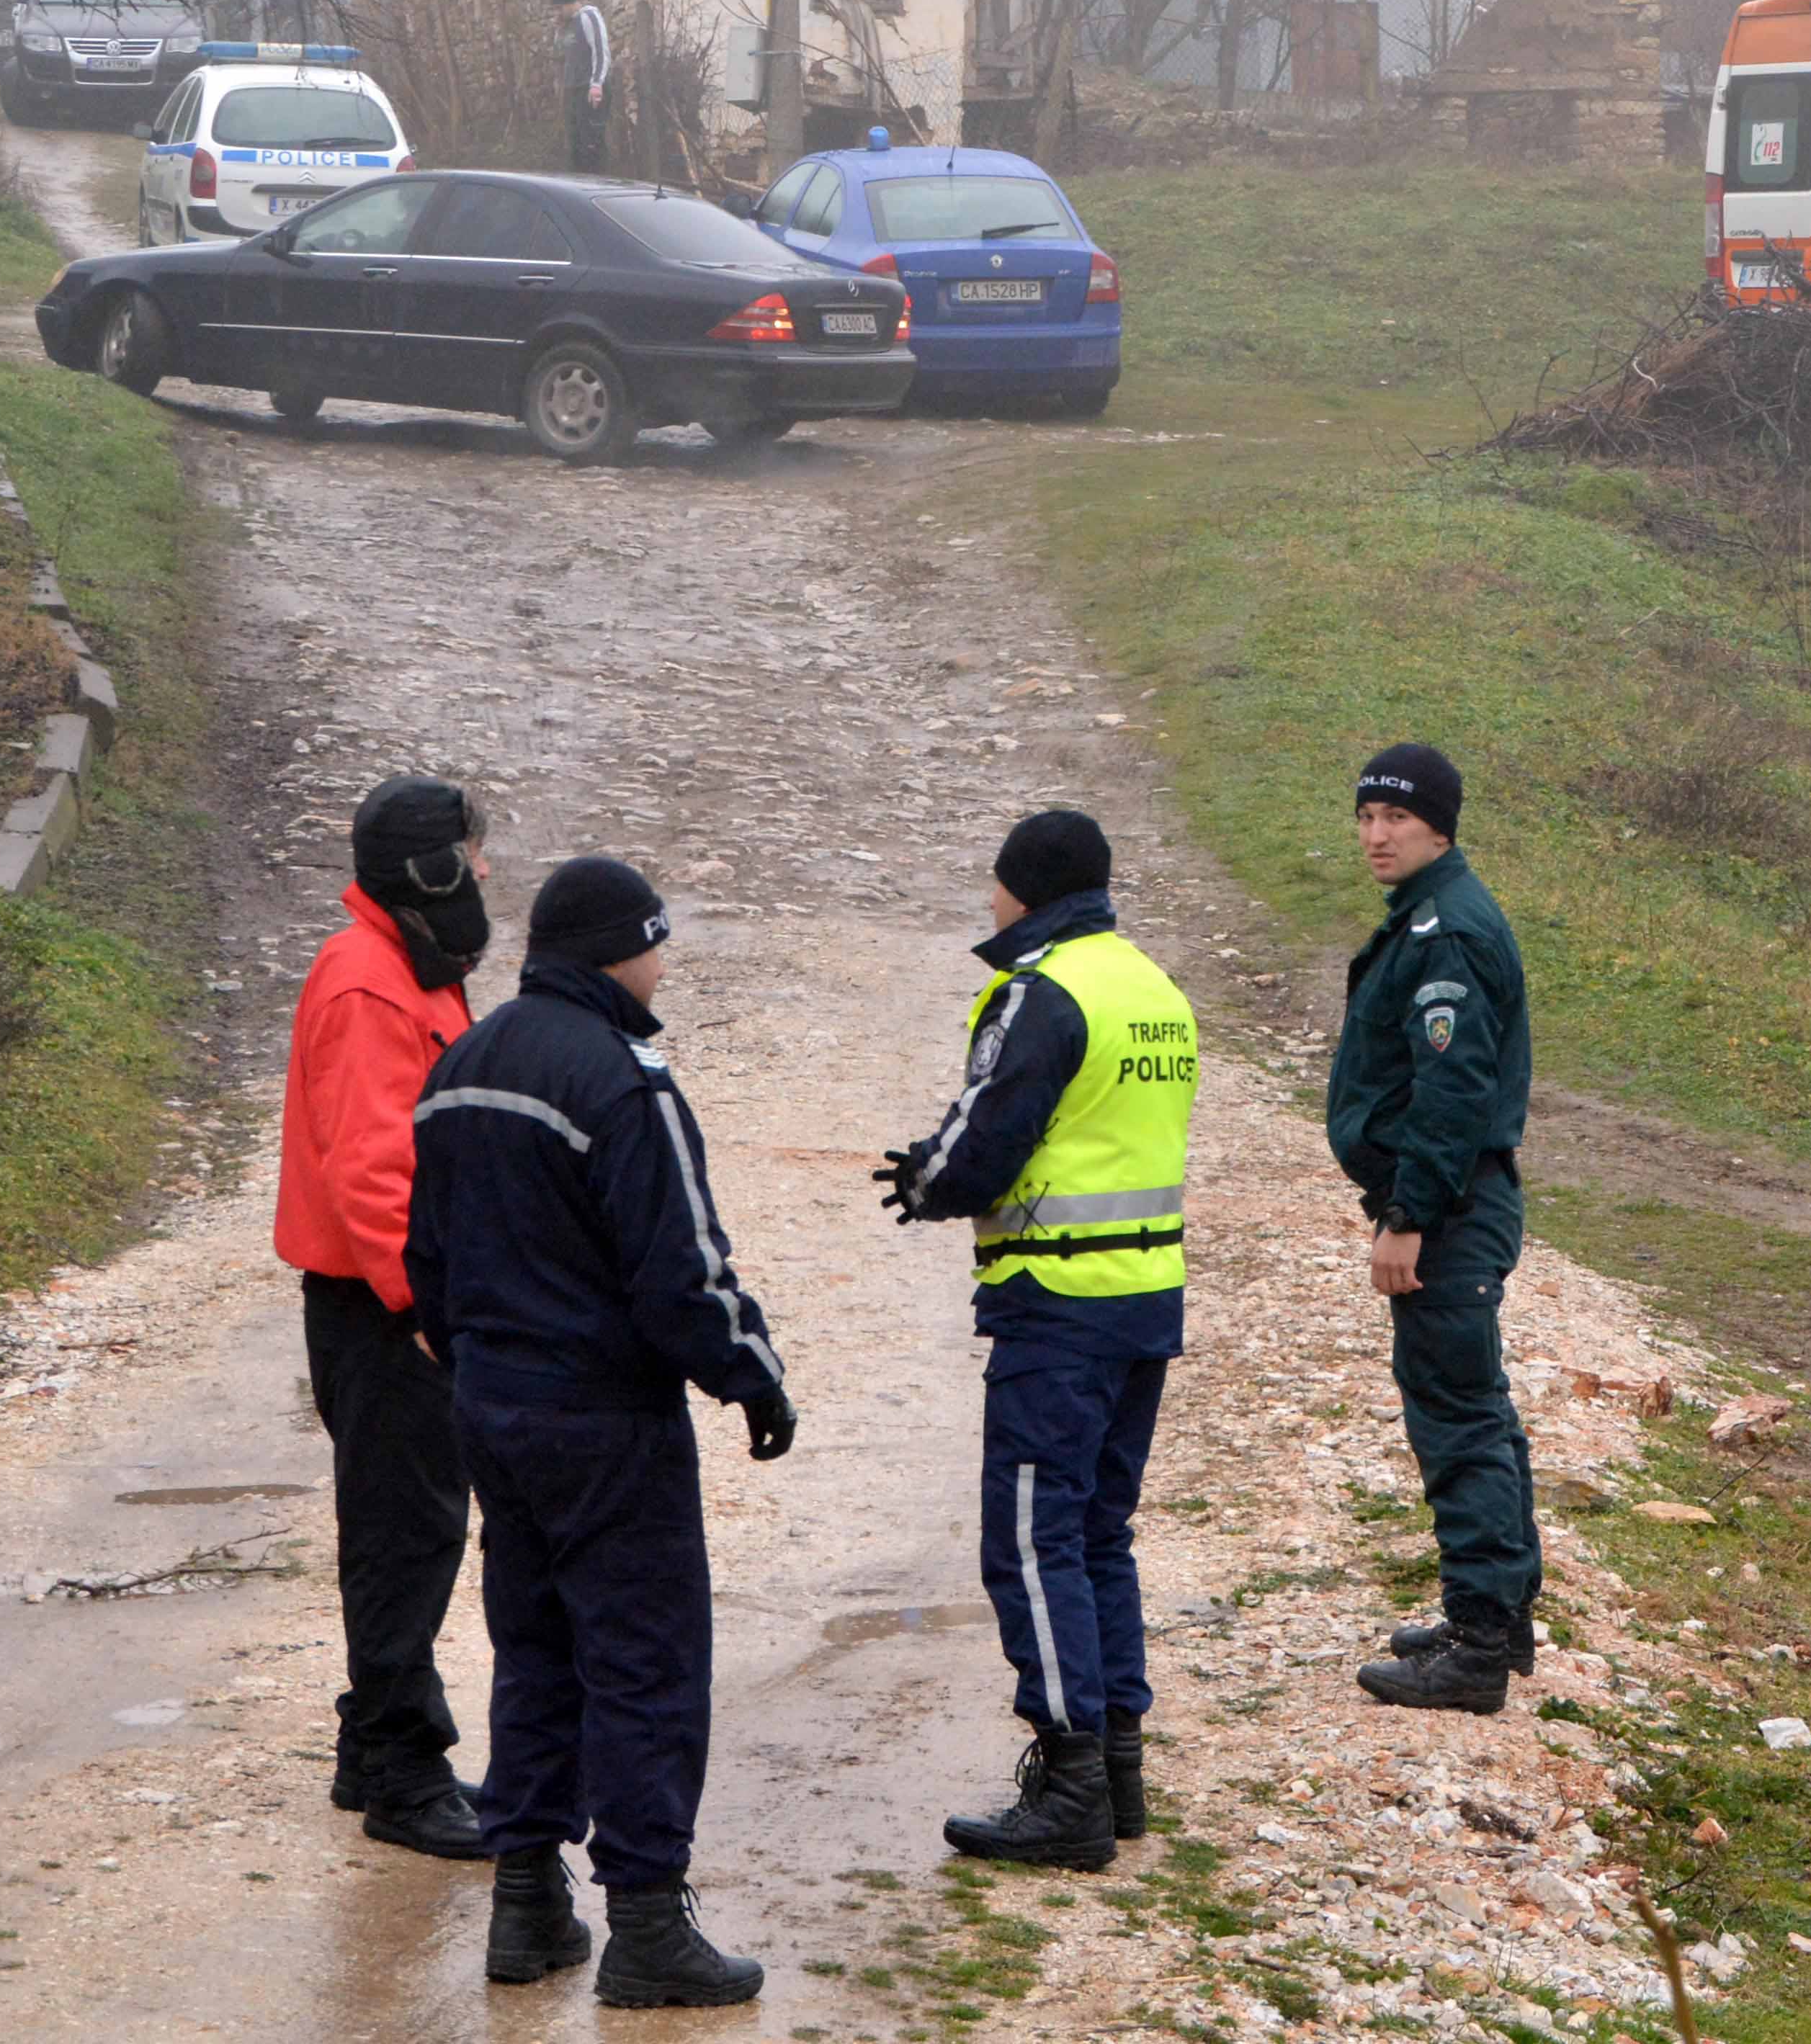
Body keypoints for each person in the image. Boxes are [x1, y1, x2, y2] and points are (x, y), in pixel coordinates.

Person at [406, 856, 792, 2008]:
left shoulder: (463, 1065)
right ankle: (648, 1926)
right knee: (645, 1661)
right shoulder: (627, 1081)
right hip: (605, 1420)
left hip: (491, 1408)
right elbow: (682, 1272)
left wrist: (475, 1355)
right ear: (620, 950)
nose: (663, 968)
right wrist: (755, 1377)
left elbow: (425, 1254)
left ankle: (527, 1902)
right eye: (656, 945)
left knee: (535, 1650)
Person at [876, 809, 1199, 1873]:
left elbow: (986, 1141)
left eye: (997, 884)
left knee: (1031, 1537)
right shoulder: (1153, 988)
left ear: (1027, 888)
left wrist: (921, 1178)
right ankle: (1116, 1775)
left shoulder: (1044, 991)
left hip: (1055, 1310)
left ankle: (1067, 1789)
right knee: (1100, 1535)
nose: (990, 901)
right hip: (1146, 1300)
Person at [274, 776, 496, 1858]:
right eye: (472, 851)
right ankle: (406, 1773)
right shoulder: (369, 981)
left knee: (401, 1523)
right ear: (430, 868)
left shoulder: (403, 963)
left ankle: (373, 1751)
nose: (488, 871)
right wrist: (424, 1302)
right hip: (382, 1304)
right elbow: (375, 1168)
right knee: (407, 1533)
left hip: (385, 1296)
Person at [1323, 743, 1544, 1713]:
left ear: (1439, 826)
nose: (1376, 834)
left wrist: (1407, 1217)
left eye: (1396, 819)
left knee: (1458, 1417)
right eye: (1366, 816)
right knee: (1473, 1406)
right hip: (1453, 1200)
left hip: (1448, 1210)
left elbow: (1451, 1090)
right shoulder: (1428, 915)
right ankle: (1496, 1616)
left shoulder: (1445, 930)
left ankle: (1481, 1648)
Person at [556, 0, 613, 176]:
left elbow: (601, 51)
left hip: (589, 91)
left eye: (559, 8)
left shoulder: (589, 17)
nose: (558, 13)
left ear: (569, 3)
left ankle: (600, 184)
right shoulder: (566, 25)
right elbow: (563, 56)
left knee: (592, 145)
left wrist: (596, 85)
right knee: (575, 147)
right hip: (573, 91)